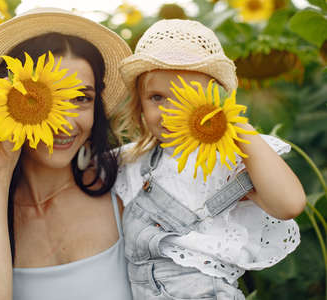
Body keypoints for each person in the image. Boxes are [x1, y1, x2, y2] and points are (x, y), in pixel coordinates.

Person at [0, 8, 133, 300]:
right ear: (7, 102)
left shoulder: (126, 185)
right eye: (46, 99)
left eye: (82, 98)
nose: (65, 123)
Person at [113, 19, 306, 299]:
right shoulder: (134, 160)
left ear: (213, 99)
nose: (171, 112)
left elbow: (289, 204)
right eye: (157, 97)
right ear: (139, 103)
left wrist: (233, 124)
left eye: (186, 98)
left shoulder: (229, 159)